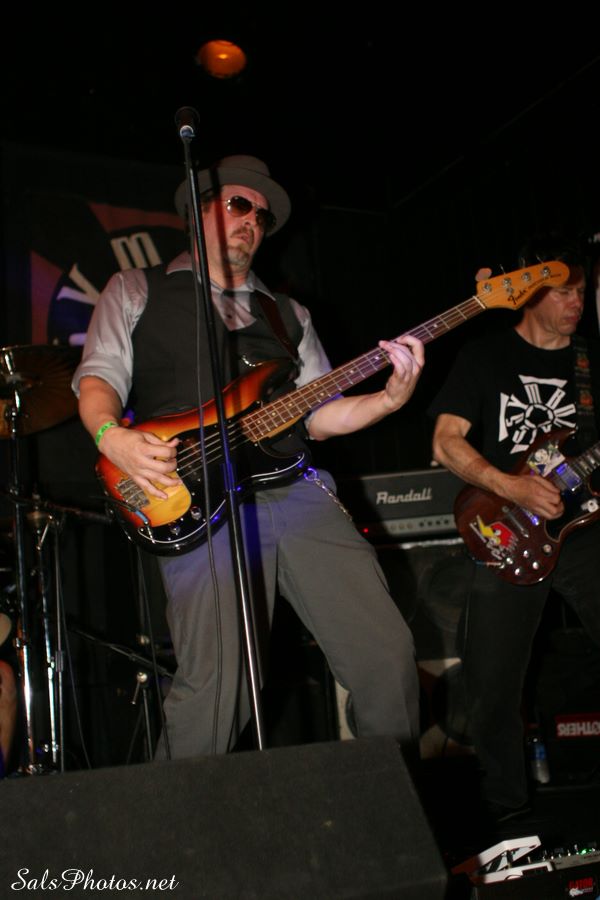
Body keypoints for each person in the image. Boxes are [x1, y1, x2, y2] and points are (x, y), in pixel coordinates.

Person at [72, 155, 424, 759]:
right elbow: (99, 378)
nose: (253, 222)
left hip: (295, 488)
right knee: (218, 687)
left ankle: (392, 805)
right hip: (193, 492)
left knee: (386, 657)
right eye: (240, 205)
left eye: (263, 216)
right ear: (198, 210)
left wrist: (388, 400)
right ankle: (170, 819)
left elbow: (319, 413)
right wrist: (112, 436)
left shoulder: (288, 313)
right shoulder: (136, 288)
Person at [428, 237, 600, 820]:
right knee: (491, 686)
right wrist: (511, 487)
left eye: (582, 292)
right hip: (507, 528)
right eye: (564, 292)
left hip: (585, 529)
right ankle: (507, 819)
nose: (576, 303)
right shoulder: (485, 357)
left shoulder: (590, 362)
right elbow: (445, 441)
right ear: (531, 292)